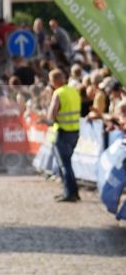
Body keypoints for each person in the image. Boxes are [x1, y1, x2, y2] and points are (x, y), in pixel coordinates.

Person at [46, 68, 81, 203]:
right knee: (68, 164)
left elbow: (51, 116)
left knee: (64, 165)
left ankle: (70, 193)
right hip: (75, 132)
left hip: (62, 133)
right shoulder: (73, 91)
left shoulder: (58, 93)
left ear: (55, 81)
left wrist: (46, 120)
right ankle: (73, 191)